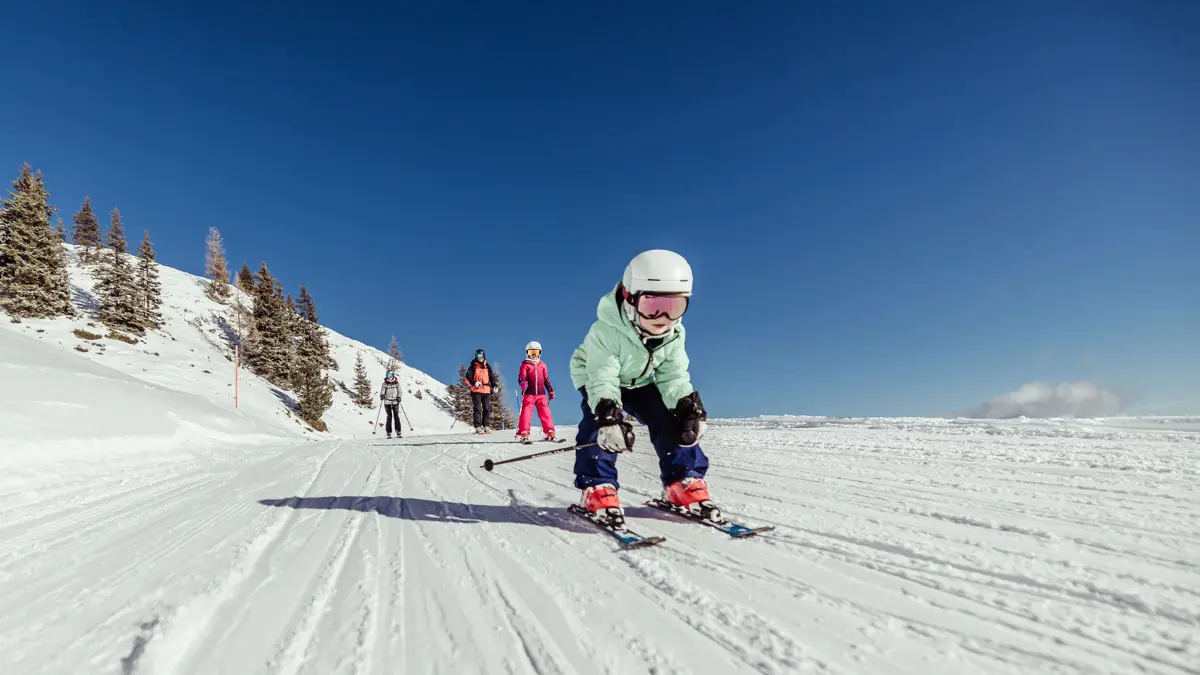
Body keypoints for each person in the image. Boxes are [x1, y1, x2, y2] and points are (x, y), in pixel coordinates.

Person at [569, 249, 711, 527]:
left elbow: (673, 376)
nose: (662, 317)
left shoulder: (674, 335)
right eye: (652, 305)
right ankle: (597, 487)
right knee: (599, 424)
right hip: (599, 381)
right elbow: (603, 379)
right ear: (630, 299)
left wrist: (686, 406)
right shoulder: (605, 331)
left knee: (670, 419)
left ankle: (682, 480)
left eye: (675, 307)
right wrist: (609, 416)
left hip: (641, 382)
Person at [516, 341, 557, 443]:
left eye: (536, 352)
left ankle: (550, 432)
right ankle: (524, 434)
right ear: (527, 353)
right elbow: (521, 377)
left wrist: (550, 391)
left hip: (541, 394)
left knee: (545, 413)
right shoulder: (525, 365)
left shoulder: (543, 365)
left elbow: (546, 380)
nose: (533, 355)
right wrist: (522, 383)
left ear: (540, 353)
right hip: (529, 394)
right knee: (526, 414)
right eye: (531, 353)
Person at [465, 348, 499, 434]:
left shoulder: (487, 366)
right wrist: (474, 382)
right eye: (478, 356)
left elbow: (492, 377)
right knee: (477, 408)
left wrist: (494, 385)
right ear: (476, 356)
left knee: (487, 408)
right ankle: (478, 426)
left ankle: (486, 426)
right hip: (476, 389)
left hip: (486, 390)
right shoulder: (473, 366)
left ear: (484, 356)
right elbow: (468, 377)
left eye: (482, 355)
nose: (480, 357)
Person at [379, 368, 403, 439]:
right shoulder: (385, 383)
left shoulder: (397, 383)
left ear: (393, 375)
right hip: (387, 402)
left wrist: (399, 397)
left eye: (391, 375)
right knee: (389, 416)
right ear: (386, 375)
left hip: (395, 401)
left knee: (396, 416)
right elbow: (382, 391)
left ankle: (398, 431)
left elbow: (400, 391)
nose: (389, 376)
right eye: (388, 375)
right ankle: (388, 432)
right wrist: (382, 395)